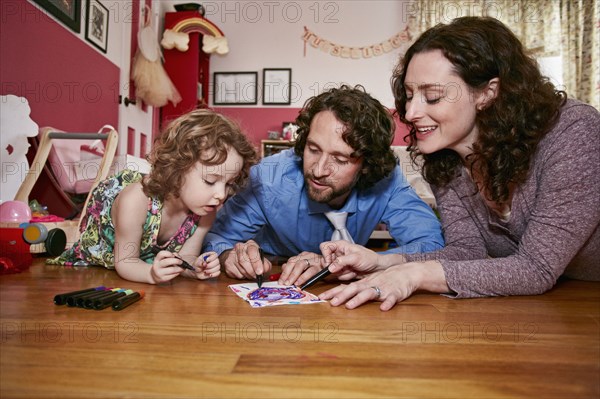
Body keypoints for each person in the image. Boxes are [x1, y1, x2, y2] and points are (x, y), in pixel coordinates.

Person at [317, 16, 600, 311]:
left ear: (487, 93)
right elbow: (466, 251)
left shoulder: (573, 130)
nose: (411, 112)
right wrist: (383, 262)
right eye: (410, 95)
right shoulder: (446, 159)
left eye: (433, 96)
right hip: (564, 305)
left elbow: (536, 268)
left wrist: (414, 274)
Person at [203, 85, 444, 285]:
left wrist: (359, 261)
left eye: (340, 160)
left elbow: (431, 245)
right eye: (313, 149)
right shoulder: (268, 177)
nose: (318, 170)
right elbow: (216, 239)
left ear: (367, 163)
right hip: (274, 277)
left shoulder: (387, 180)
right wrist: (228, 257)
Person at [48, 109, 258, 284]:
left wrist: (195, 267)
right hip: (97, 268)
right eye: (210, 181)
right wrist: (151, 273)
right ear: (178, 168)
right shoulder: (136, 200)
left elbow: (186, 257)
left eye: (228, 184)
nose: (221, 195)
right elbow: (126, 262)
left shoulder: (205, 211)